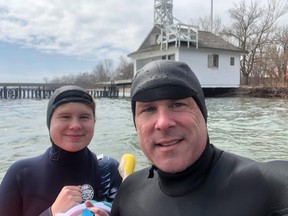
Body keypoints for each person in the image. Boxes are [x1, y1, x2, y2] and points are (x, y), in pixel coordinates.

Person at [110, 60, 288, 216]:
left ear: (203, 114)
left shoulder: (268, 186)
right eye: (148, 109)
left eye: (178, 104)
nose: (163, 123)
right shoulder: (128, 192)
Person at [0, 85, 122, 216]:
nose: (75, 125)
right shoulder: (20, 174)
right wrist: (51, 213)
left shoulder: (108, 171)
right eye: (65, 116)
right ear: (49, 122)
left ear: (94, 122)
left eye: (84, 117)